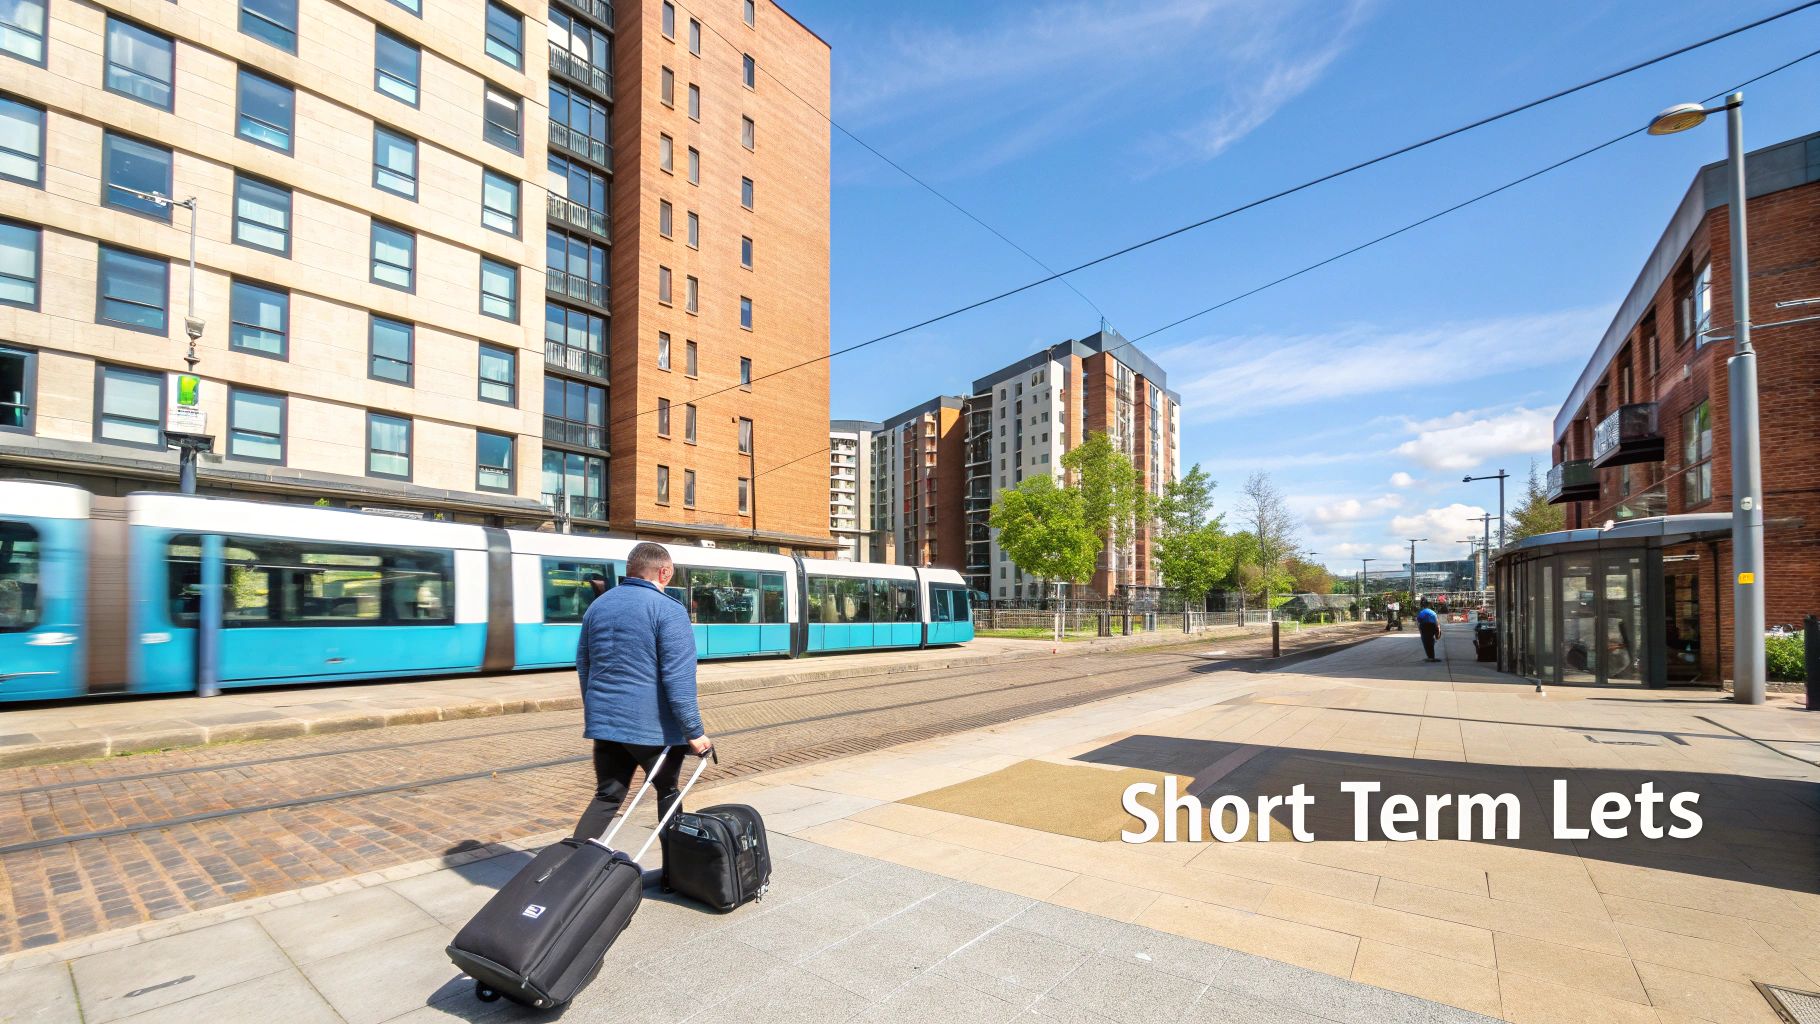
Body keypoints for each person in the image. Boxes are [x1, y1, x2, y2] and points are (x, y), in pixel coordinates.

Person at [572, 542, 712, 842]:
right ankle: (675, 876)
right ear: (664, 572)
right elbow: (678, 678)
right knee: (668, 793)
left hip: (607, 724)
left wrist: (597, 709)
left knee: (607, 796)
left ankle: (566, 870)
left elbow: (584, 665)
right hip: (653, 728)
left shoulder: (599, 605)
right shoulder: (669, 610)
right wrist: (694, 732)